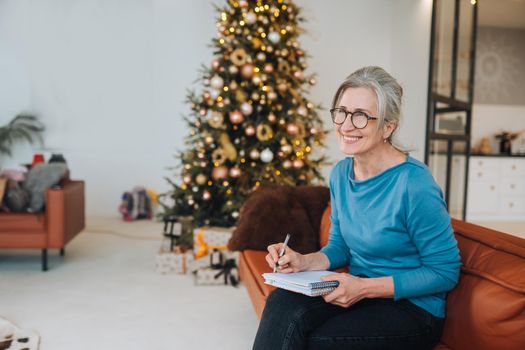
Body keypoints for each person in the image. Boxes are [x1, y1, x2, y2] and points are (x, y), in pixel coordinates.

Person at [252, 66, 461, 350]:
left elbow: (445, 271)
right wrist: (303, 261)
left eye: (361, 116)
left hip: (412, 310)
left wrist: (364, 288)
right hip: (356, 288)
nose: (346, 125)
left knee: (320, 342)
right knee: (281, 301)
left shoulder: (414, 184)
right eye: (342, 112)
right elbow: (340, 246)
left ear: (388, 126)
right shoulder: (340, 173)